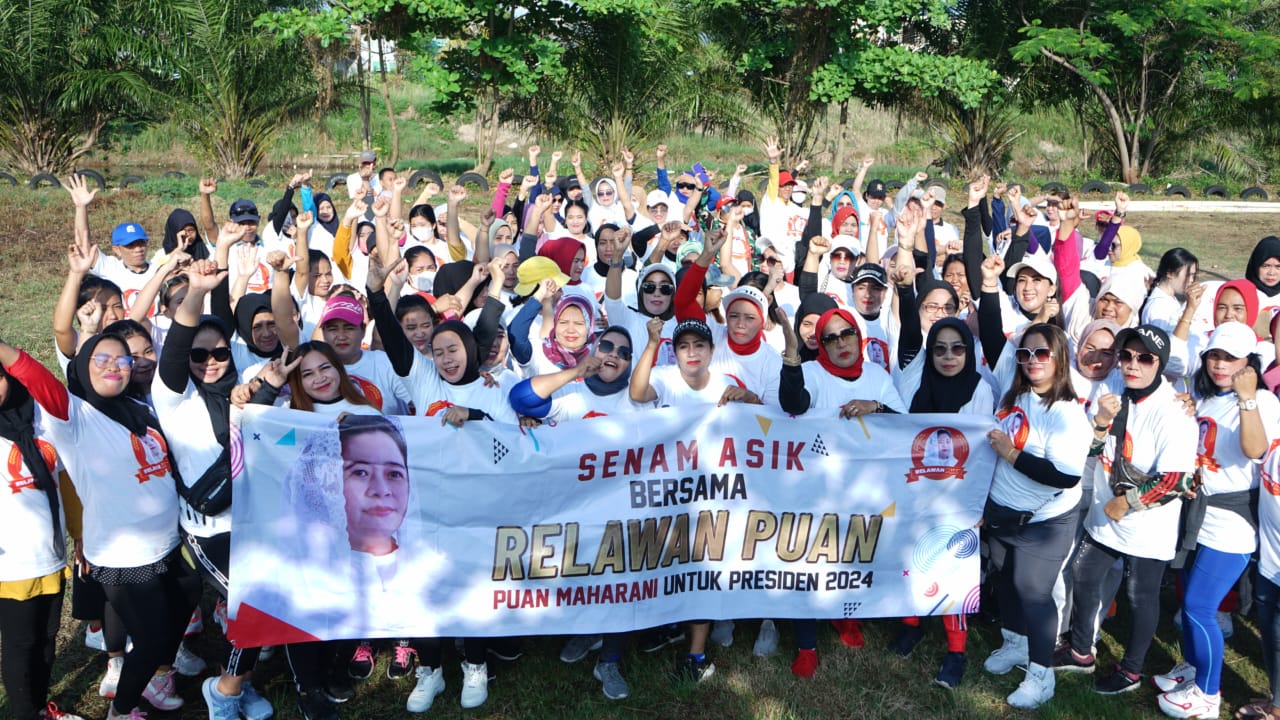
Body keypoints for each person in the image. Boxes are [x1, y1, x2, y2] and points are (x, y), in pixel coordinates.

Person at [5, 334, 200, 720]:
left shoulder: (137, 409)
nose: (114, 365)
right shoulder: (73, 416)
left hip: (166, 542)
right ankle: (122, 709)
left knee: (188, 594)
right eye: (102, 358)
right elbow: (31, 372)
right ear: (82, 368)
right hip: (124, 555)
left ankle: (153, 679)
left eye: (122, 359)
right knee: (153, 638)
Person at [153, 259, 285, 720]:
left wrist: (267, 389)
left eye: (220, 353)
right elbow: (176, 347)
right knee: (256, 605)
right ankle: (225, 691)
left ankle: (235, 685)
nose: (210, 362)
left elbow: (253, 443)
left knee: (262, 605)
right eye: (199, 355)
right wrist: (197, 291)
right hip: (209, 530)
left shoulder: (242, 392)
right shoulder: (174, 397)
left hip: (253, 521)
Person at [1055, 326, 1197, 697]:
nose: (1133, 365)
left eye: (1145, 358)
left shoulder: (1175, 412)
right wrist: (1101, 422)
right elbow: (1088, 451)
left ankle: (1131, 670)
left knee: (1140, 596)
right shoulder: (1111, 389)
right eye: (1127, 356)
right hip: (1105, 516)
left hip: (1148, 525)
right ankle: (1080, 650)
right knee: (1084, 574)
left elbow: (1176, 480)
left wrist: (1127, 502)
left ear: (1160, 364)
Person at [1155, 322, 1278, 719]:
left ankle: (1208, 695)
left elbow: (1256, 450)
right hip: (1197, 515)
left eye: (1231, 358)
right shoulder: (1205, 396)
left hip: (1231, 523)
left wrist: (1247, 399)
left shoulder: (1263, 401)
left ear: (1249, 362)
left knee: (1199, 607)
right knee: (1188, 596)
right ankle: (1194, 668)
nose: (1220, 364)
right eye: (1214, 356)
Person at [982, 323, 1091, 709]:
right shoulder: (1015, 393)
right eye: (1024, 354)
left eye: (1041, 353)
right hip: (1002, 510)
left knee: (1034, 591)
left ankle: (1042, 675)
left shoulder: (1066, 413)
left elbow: (1065, 475)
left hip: (1044, 519)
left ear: (1059, 358)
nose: (1032, 361)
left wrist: (1011, 453)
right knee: (1006, 580)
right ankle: (1015, 642)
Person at [0, 359, 84, 720]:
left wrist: (80, 534)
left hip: (50, 555)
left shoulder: (40, 419)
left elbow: (65, 482)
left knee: (48, 637)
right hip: (10, 566)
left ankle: (39, 707)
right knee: (20, 644)